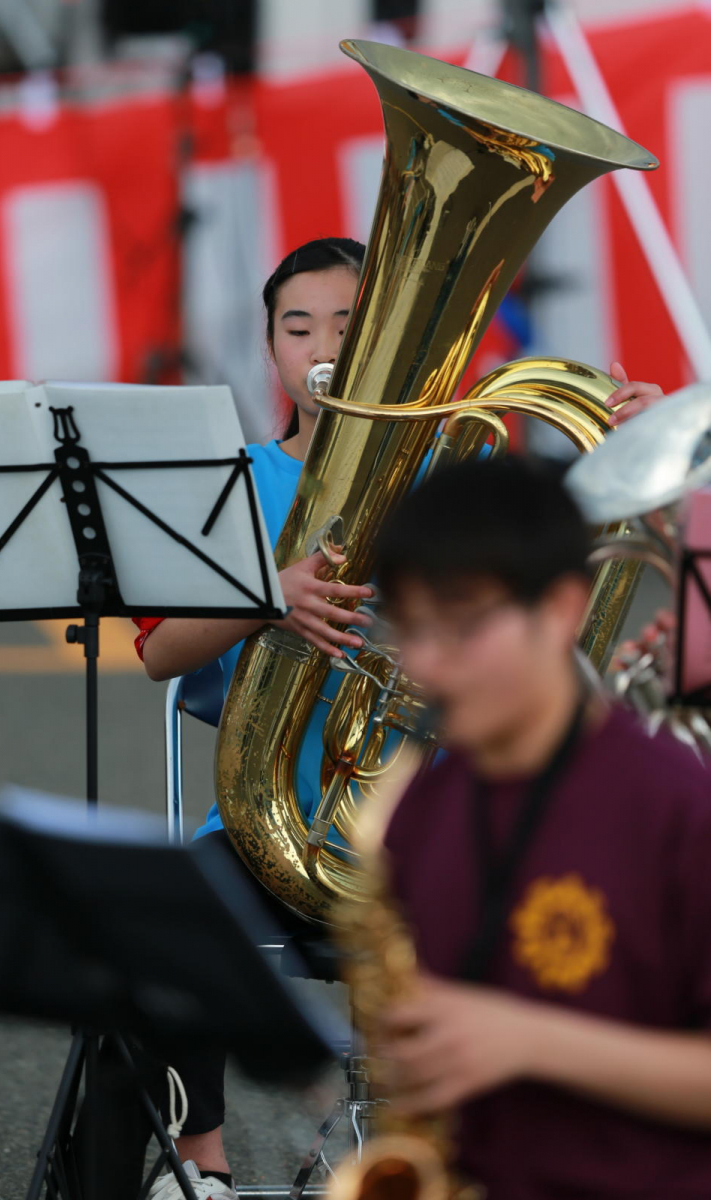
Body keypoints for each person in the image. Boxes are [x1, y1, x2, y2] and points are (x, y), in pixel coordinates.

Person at [130, 234, 665, 1200]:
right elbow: (160, 653)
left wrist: (647, 455)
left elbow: (569, 584)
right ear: (271, 349)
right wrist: (264, 596)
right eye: (299, 327)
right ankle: (197, 1165)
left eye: (351, 323)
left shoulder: (456, 475)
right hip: (270, 831)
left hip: (445, 828)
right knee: (166, 915)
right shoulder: (233, 483)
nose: (325, 345)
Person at [371, 456, 711, 1200]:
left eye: (460, 626)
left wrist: (529, 1041)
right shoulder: (422, 806)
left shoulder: (677, 807)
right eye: (410, 628)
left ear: (560, 610)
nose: (425, 664)